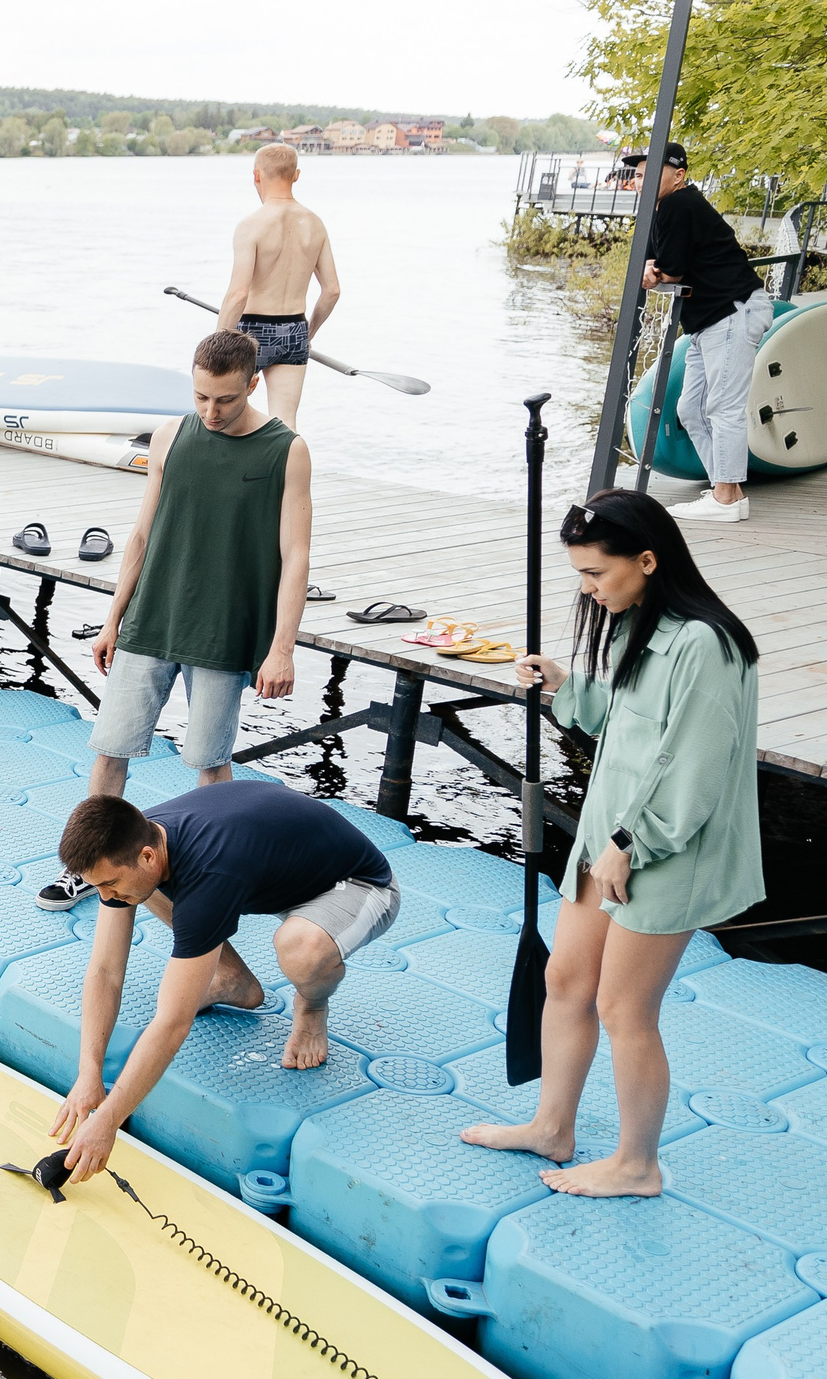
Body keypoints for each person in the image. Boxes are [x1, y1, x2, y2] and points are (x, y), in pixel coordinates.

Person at [463, 489, 763, 1196]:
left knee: (626, 1009)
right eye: (581, 576)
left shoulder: (706, 646)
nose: (588, 591)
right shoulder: (637, 620)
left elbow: (693, 770)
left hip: (662, 847)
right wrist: (567, 686)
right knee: (565, 979)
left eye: (597, 574)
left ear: (648, 560)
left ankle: (637, 1165)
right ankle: (552, 1125)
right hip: (609, 838)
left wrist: (633, 841)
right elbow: (625, 727)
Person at [33, 330, 313, 913]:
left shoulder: (286, 450)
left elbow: (296, 556)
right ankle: (85, 870)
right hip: (151, 619)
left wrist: (281, 648)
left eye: (226, 400)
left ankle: (221, 876)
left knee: (211, 765)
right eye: (201, 397)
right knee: (110, 751)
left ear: (253, 384)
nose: (211, 412)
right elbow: (140, 534)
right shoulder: (171, 435)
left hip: (225, 631)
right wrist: (114, 619)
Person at [48, 784, 401, 1183]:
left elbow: (173, 1022)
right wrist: (88, 1072)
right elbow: (105, 971)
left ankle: (313, 1004)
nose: (103, 895)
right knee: (137, 891)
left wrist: (109, 1120)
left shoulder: (209, 870)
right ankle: (233, 980)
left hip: (357, 885)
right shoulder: (136, 843)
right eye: (96, 885)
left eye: (107, 883)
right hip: (272, 870)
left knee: (300, 949)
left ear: (147, 854)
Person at [632, 142, 767, 523]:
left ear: (679, 175)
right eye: (638, 174)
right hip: (708, 321)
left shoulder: (679, 204)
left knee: (723, 408)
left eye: (651, 172)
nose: (641, 180)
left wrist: (655, 270)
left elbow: (671, 271)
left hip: (731, 312)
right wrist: (652, 264)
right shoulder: (664, 210)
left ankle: (725, 499)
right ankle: (729, 490)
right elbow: (660, 260)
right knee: (690, 409)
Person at [217, 143, 341, 430]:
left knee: (221, 415)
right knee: (284, 423)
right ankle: (286, 475)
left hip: (252, 330)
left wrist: (218, 342)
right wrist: (306, 335)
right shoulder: (315, 224)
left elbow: (238, 294)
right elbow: (332, 291)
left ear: (256, 176)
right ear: (296, 175)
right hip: (295, 329)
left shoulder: (252, 225)